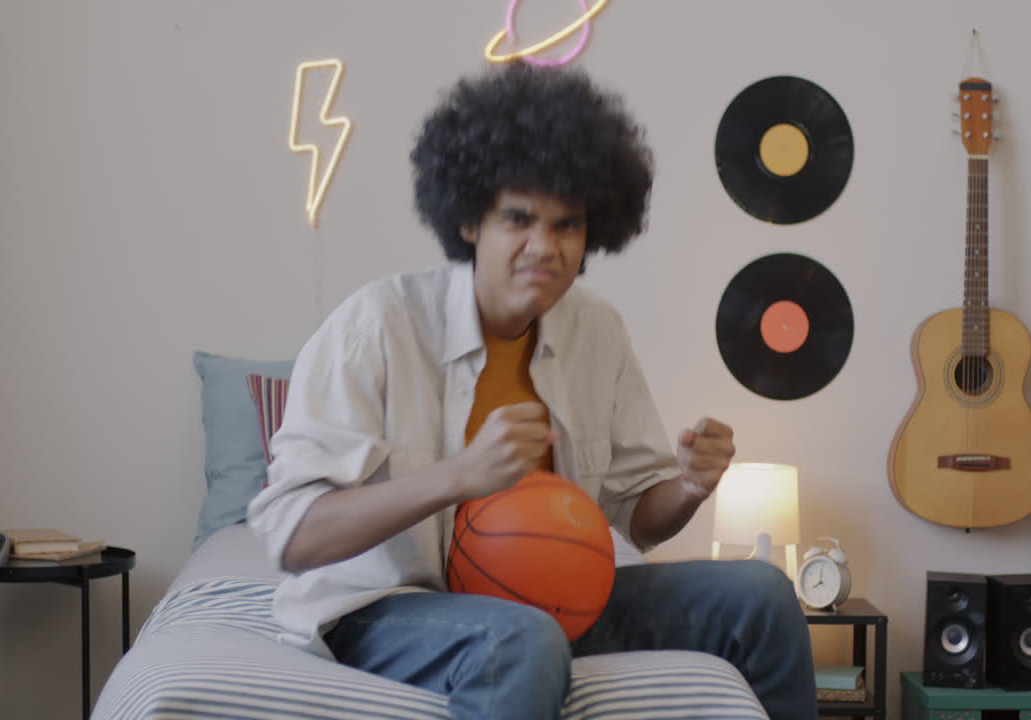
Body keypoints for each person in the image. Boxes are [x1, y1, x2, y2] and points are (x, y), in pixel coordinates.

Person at [247, 61, 817, 720]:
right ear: (469, 222)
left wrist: (689, 486)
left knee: (763, 593)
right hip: (385, 611)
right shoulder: (375, 326)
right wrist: (457, 475)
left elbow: (640, 516)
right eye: (519, 219)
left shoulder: (596, 331)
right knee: (520, 640)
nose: (544, 246)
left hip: (554, 597)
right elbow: (291, 536)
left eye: (567, 225)